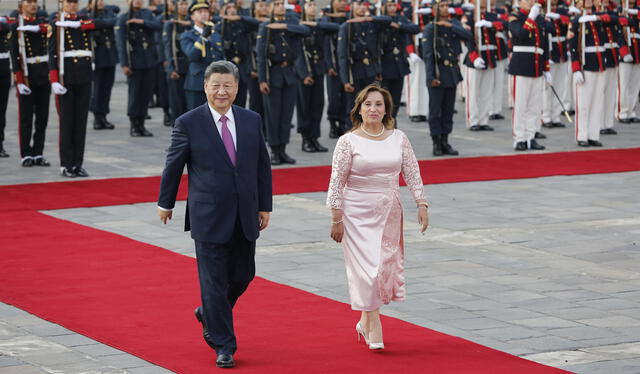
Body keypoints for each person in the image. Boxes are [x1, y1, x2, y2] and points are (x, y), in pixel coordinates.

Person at [157, 61, 272, 369]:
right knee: (212, 281)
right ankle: (223, 343)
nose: (222, 91)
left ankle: (209, 312)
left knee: (244, 274)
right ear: (205, 87)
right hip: (207, 214)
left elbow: (262, 164)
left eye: (228, 86)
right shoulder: (188, 122)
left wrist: (265, 205)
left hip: (245, 212)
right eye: (216, 85)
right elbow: (173, 165)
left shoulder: (251, 119)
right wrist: (165, 203)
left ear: (236, 88)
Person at [326, 84, 428, 351]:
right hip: (356, 212)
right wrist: (336, 216)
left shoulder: (399, 137)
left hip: (389, 211)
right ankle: (374, 325)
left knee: (381, 269)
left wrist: (421, 202)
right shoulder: (348, 141)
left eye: (378, 104)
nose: (373, 109)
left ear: (386, 110)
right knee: (366, 272)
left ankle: (363, 320)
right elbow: (337, 180)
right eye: (368, 104)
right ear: (359, 108)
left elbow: (412, 171)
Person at [49, 0, 109, 177]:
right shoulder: (56, 23)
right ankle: (66, 164)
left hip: (84, 77)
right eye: (69, 2)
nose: (73, 5)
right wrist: (54, 80)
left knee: (81, 122)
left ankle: (77, 163)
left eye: (75, 2)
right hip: (65, 77)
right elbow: (51, 53)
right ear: (62, 4)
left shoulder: (83, 20)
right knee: (67, 122)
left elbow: (106, 23)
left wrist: (80, 24)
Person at [256, 0, 310, 165]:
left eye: (281, 4)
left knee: (286, 116)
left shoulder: (291, 23)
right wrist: (262, 79)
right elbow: (261, 55)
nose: (280, 7)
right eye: (276, 4)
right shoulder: (266, 26)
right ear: (271, 7)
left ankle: (283, 151)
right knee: (273, 116)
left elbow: (306, 31)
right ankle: (274, 151)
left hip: (289, 75)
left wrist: (285, 27)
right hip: (273, 75)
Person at [423, 0, 471, 156]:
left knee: (448, 110)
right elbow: (428, 55)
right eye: (440, 6)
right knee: (435, 110)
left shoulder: (453, 23)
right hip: (438, 72)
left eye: (445, 6)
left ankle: (445, 140)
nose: (444, 8)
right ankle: (436, 142)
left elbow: (468, 35)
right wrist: (430, 77)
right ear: (433, 9)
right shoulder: (431, 28)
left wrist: (451, 26)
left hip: (451, 72)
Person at [10, 0, 51, 166]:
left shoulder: (42, 23)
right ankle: (26, 153)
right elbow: (14, 54)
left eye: (35, 2)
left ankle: (38, 152)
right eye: (29, 2)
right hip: (27, 75)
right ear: (21, 6)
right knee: (26, 117)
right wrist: (18, 79)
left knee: (42, 117)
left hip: (43, 73)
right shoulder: (16, 26)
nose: (33, 5)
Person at [294, 0, 338, 152]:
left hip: (318, 69)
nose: (312, 7)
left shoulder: (320, 24)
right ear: (303, 8)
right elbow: (297, 52)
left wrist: (315, 25)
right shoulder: (298, 25)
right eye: (309, 4)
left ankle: (314, 137)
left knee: (317, 105)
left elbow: (336, 28)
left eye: (314, 4)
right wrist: (303, 74)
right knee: (304, 106)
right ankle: (306, 139)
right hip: (305, 71)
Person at [116, 0, 163, 137]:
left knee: (146, 94)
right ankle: (134, 125)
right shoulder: (124, 18)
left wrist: (142, 22)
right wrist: (124, 64)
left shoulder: (147, 14)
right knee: (135, 94)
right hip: (134, 62)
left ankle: (142, 124)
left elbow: (158, 25)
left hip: (149, 60)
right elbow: (121, 43)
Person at [508, 0, 550, 150]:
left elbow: (544, 44)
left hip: (536, 66)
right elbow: (521, 34)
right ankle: (519, 138)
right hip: (521, 65)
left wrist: (546, 67)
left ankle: (530, 137)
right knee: (520, 105)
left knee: (534, 106)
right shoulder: (515, 17)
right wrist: (531, 17)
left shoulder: (539, 19)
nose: (531, 2)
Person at [568, 0, 607, 147]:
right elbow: (572, 46)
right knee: (583, 103)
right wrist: (576, 68)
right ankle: (582, 135)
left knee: (597, 102)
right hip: (586, 64)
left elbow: (614, 19)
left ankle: (593, 134)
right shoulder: (576, 21)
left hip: (599, 63)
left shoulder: (598, 19)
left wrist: (595, 18)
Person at [379, 0, 420, 121]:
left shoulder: (399, 19)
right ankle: (384, 123)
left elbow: (415, 28)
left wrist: (400, 26)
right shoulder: (380, 20)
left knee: (395, 99)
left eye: (393, 5)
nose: (392, 8)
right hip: (384, 65)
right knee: (384, 99)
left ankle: (392, 120)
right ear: (383, 7)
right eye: (389, 5)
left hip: (398, 66)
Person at [180, 0, 224, 110]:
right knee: (197, 120)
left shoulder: (216, 35)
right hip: (197, 83)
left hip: (216, 84)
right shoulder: (187, 35)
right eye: (199, 11)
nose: (204, 14)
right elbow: (192, 55)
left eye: (206, 11)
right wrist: (202, 38)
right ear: (192, 16)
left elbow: (220, 57)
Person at [83, 0, 119, 130]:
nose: (100, 3)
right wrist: (99, 23)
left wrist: (97, 24)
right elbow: (87, 24)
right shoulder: (85, 13)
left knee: (107, 88)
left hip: (109, 54)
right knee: (97, 88)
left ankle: (103, 115)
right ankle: (97, 118)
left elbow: (114, 21)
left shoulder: (108, 11)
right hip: (96, 55)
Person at [320, 0, 347, 138]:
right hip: (333, 65)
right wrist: (329, 65)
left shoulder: (347, 17)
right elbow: (325, 46)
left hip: (346, 65)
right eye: (339, 1)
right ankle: (332, 123)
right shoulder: (327, 18)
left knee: (345, 96)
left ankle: (343, 124)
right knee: (334, 98)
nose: (342, 3)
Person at [163, 0, 191, 126]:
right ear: (175, 7)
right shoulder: (171, 24)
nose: (184, 7)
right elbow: (168, 47)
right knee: (177, 101)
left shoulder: (191, 23)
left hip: (191, 66)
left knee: (189, 102)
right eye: (181, 4)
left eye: (186, 4)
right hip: (177, 66)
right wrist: (171, 69)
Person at [617, 0, 640, 124]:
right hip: (625, 53)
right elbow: (618, 34)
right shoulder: (619, 11)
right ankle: (622, 112)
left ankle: (631, 111)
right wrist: (624, 52)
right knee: (624, 85)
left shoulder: (636, 12)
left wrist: (634, 11)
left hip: (637, 52)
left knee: (635, 84)